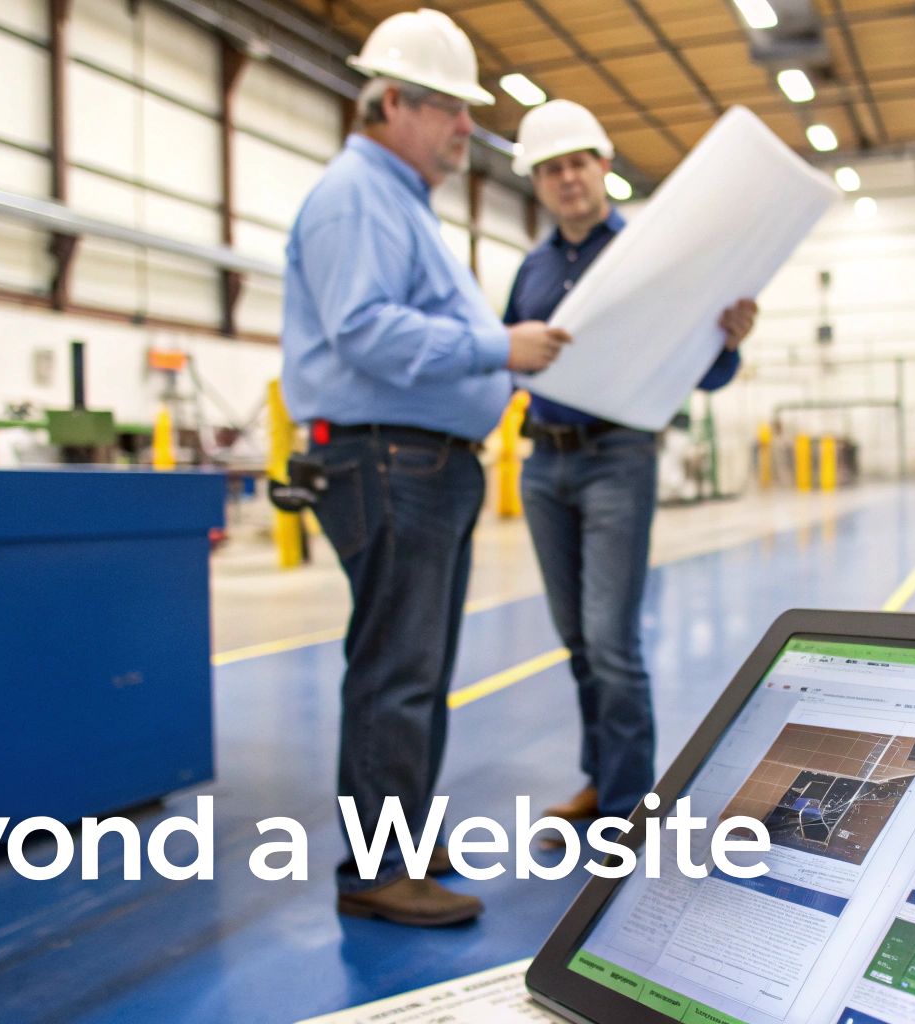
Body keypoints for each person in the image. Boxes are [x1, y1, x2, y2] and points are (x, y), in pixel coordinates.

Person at [280, 8, 570, 927]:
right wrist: (498, 348)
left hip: (421, 463)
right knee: (396, 670)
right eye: (449, 109)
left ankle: (397, 835)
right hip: (389, 460)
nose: (464, 130)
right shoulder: (357, 196)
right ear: (392, 101)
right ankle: (376, 869)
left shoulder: (397, 203)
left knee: (418, 665)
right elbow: (364, 330)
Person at [502, 100, 758, 824]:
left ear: (604, 166)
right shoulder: (532, 269)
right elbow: (507, 358)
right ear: (537, 183)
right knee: (578, 641)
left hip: (617, 460)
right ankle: (599, 783)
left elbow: (702, 375)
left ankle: (626, 809)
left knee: (612, 643)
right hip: (543, 467)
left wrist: (727, 340)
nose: (566, 178)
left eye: (577, 163)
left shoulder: (650, 257)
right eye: (550, 169)